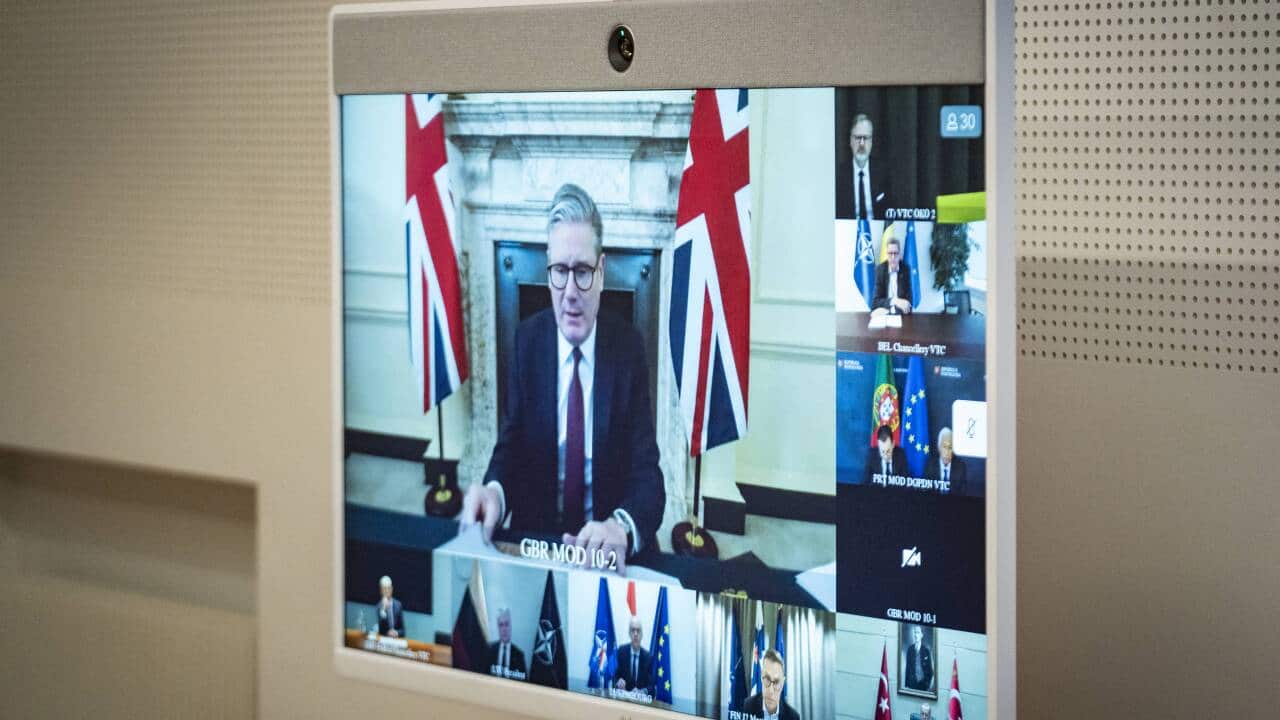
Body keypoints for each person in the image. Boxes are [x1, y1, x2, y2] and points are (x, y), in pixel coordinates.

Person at [461, 183, 664, 561]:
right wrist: (495, 493)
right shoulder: (526, 342)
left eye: (582, 271)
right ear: (548, 269)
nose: (570, 291)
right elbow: (510, 450)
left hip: (601, 549)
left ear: (601, 272)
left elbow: (647, 477)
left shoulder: (628, 349)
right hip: (538, 543)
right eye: (560, 271)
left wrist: (620, 526)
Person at [836, 113, 892, 220]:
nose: (861, 144)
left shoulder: (883, 173)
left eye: (865, 138)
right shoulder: (839, 175)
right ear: (850, 141)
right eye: (858, 138)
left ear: (871, 142)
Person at [742, 649, 800, 720]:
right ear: (761, 678)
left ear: (782, 683)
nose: (770, 691)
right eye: (767, 679)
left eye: (776, 682)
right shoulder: (746, 707)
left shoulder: (793, 717)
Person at [871, 236, 913, 314]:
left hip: (901, 314)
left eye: (895, 253)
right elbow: (875, 302)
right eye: (890, 253)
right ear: (887, 254)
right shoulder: (880, 270)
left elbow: (909, 302)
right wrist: (895, 301)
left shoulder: (905, 269)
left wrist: (895, 308)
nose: (893, 257)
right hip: (884, 315)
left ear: (899, 254)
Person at [613, 616, 654, 695]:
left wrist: (642, 691)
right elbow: (614, 677)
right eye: (633, 630)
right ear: (629, 633)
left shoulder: (648, 657)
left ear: (642, 634)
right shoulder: (621, 652)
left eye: (638, 631)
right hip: (623, 698)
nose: (635, 634)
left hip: (640, 701)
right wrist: (618, 682)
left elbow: (652, 687)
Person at [924, 427, 969, 495]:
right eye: (944, 447)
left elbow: (963, 495)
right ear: (939, 447)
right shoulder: (930, 465)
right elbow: (925, 492)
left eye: (950, 447)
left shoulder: (960, 467)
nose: (947, 452)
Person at [486, 608, 528, 680]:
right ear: (498, 628)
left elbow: (524, 682)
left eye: (506, 624)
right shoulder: (489, 650)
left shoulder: (519, 655)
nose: (504, 629)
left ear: (510, 627)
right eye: (501, 625)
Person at [904, 625, 934, 692]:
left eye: (917, 632)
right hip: (911, 685)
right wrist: (906, 686)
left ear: (921, 635)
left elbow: (930, 671)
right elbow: (907, 670)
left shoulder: (926, 651)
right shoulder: (910, 649)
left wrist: (927, 684)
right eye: (915, 632)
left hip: (923, 685)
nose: (915, 635)